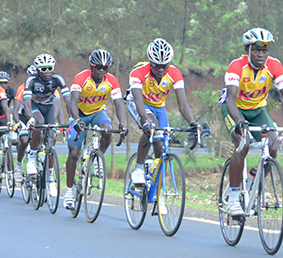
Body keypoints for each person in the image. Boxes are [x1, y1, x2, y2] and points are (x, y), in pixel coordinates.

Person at [221, 28, 283, 217]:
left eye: (264, 50)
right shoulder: (237, 66)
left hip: (258, 110)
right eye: (257, 50)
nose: (261, 54)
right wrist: (239, 122)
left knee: (273, 144)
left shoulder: (274, 66)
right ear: (247, 49)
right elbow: (230, 99)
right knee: (243, 144)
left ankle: (253, 182)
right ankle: (234, 199)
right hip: (235, 109)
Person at [127, 39, 200, 196]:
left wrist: (193, 123)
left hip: (159, 106)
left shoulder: (175, 73)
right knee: (152, 128)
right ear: (150, 62)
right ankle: (139, 168)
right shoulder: (138, 73)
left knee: (161, 148)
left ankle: (158, 194)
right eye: (156, 66)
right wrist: (145, 121)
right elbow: (139, 103)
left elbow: (183, 105)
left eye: (164, 66)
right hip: (139, 102)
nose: (160, 69)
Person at [65, 49, 128, 208]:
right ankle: (69, 191)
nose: (101, 70)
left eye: (105, 68)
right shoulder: (81, 78)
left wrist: (123, 124)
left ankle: (98, 158)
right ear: (91, 66)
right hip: (79, 113)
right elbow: (73, 102)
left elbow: (119, 104)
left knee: (107, 130)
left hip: (98, 112)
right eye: (98, 67)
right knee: (73, 153)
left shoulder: (112, 81)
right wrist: (77, 120)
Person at [23, 54, 71, 182]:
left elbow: (67, 100)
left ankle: (50, 177)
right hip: (34, 105)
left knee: (52, 134)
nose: (47, 71)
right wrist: (30, 118)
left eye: (50, 68)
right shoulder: (31, 79)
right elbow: (26, 102)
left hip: (48, 106)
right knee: (39, 122)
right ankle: (32, 157)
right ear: (38, 70)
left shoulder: (58, 78)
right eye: (43, 69)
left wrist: (72, 119)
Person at [13, 65, 38, 185]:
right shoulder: (22, 88)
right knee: (24, 140)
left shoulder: (45, 87)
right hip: (23, 116)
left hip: (37, 116)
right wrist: (18, 123)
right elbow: (15, 110)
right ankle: (18, 165)